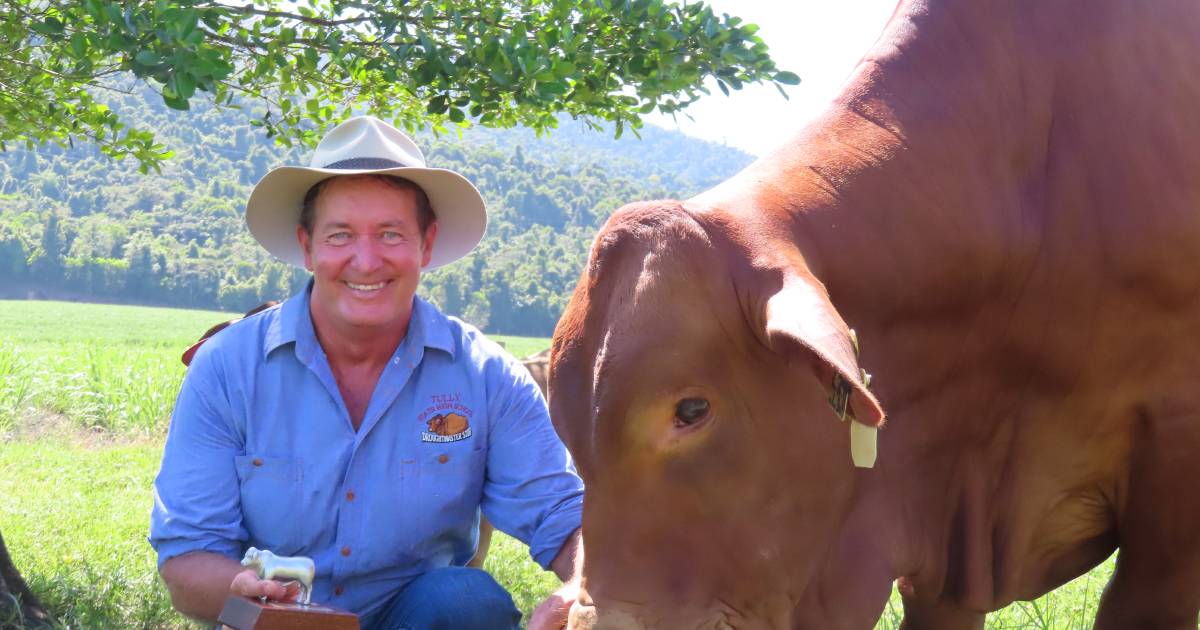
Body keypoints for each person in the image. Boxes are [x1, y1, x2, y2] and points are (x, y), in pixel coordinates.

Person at [149, 116, 584, 630]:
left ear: (426, 244)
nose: (366, 259)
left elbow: (562, 516)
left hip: (419, 620)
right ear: (307, 246)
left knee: (464, 601)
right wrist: (238, 589)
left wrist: (583, 587)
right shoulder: (226, 368)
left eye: (390, 233)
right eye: (340, 235)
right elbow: (187, 561)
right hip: (275, 626)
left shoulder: (487, 376)